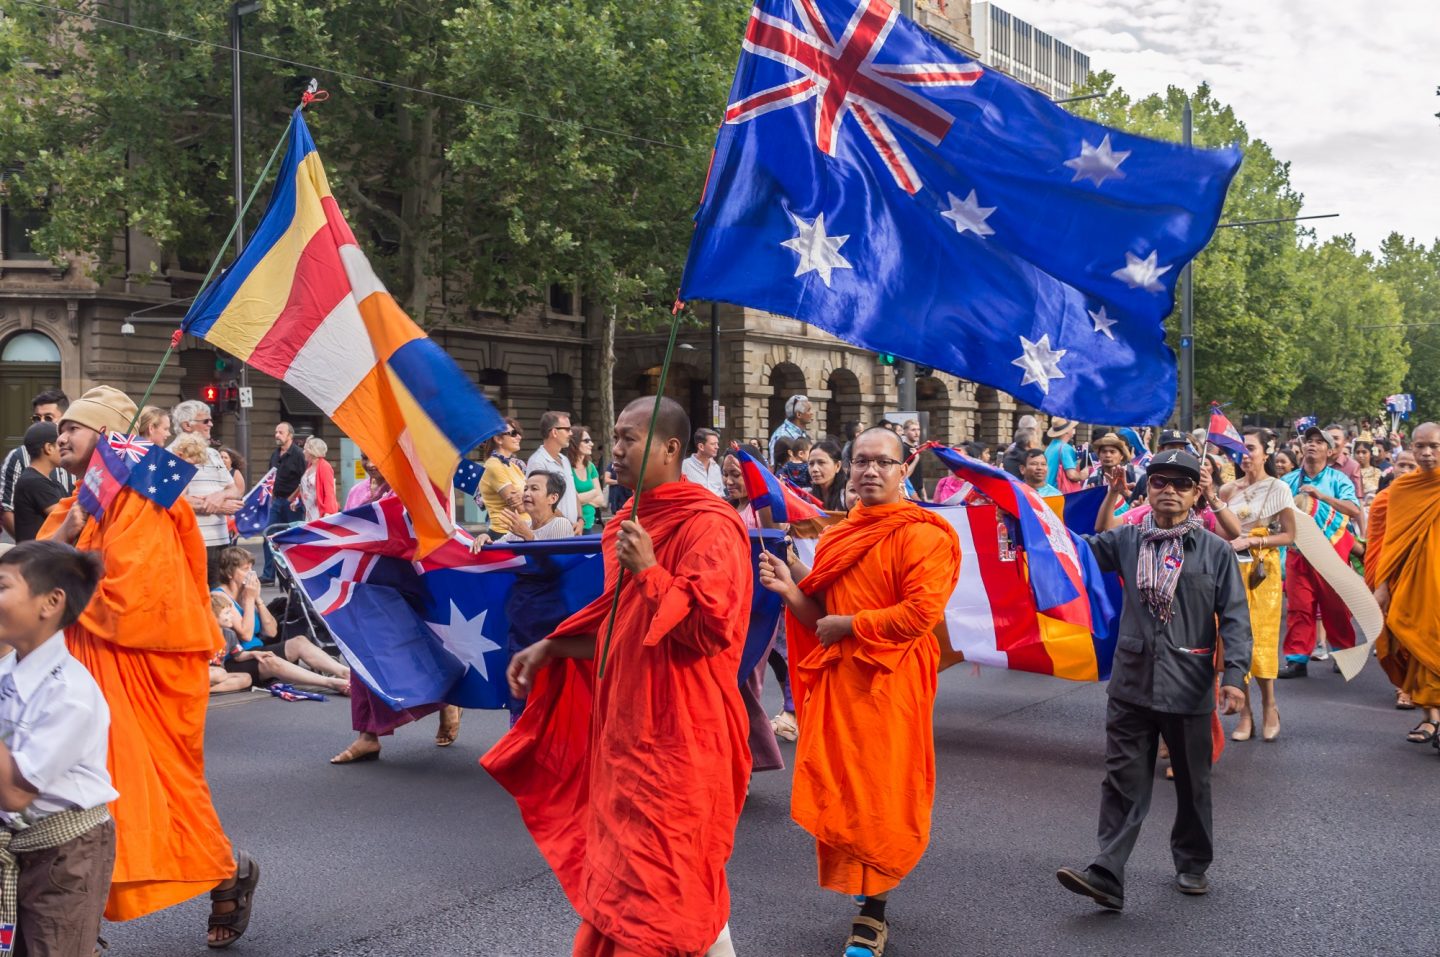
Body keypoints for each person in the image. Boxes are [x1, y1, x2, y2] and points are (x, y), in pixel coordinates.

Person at [484, 396, 753, 957]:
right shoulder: (626, 527)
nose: (617, 450)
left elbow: (709, 629)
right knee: (650, 886)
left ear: (672, 448)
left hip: (682, 735)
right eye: (617, 438)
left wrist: (651, 572)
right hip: (626, 733)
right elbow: (621, 629)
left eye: (632, 438)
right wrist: (552, 646)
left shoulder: (709, 526)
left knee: (663, 887)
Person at [39, 385, 259, 946]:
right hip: (83, 672)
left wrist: (63, 572)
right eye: (60, 428)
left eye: (75, 427)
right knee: (77, 795)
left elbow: (136, 594)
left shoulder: (142, 494)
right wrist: (67, 539)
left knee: (148, 796)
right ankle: (76, 925)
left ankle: (228, 870)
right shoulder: (85, 500)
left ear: (109, 437)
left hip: (140, 671)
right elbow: (40, 561)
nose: (60, 436)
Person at [758, 427, 960, 957]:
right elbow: (820, 616)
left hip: (890, 682)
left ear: (904, 470)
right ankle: (868, 882)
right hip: (841, 681)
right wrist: (788, 585)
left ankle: (875, 912)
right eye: (861, 462)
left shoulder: (926, 535)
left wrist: (849, 625)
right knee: (845, 788)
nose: (870, 471)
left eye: (883, 463)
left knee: (880, 790)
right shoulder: (840, 534)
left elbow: (919, 615)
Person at [1057, 450, 1251, 911]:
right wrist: (1021, 516)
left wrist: (1235, 677)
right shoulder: (1126, 540)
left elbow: (1237, 619)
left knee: (1192, 782)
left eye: (1182, 484)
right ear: (1147, 488)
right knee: (1122, 779)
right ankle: (1107, 870)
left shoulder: (1215, 551)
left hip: (1188, 685)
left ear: (1196, 494)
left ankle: (1192, 862)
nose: (1170, 490)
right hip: (1132, 684)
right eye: (1160, 481)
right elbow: (1075, 549)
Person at [0, 540, 118, 955]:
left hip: (65, 854)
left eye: (2, 586)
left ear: (50, 602)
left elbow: (14, 792)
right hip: (15, 839)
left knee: (53, 947)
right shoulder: (8, 671)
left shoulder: (71, 693)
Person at [470, 472, 576, 722]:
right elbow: (499, 551)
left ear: (552, 497)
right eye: (526, 488)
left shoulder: (560, 525)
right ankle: (518, 738)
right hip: (521, 615)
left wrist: (527, 537)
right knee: (519, 680)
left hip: (549, 616)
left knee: (545, 682)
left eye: (534, 489)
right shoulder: (522, 527)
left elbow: (558, 566)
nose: (526, 493)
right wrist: (486, 540)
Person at [1218, 429, 1296, 742]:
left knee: (1262, 636)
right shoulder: (1226, 490)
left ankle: (1270, 705)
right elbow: (1223, 531)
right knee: (1238, 637)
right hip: (1233, 570)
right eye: (1239, 449)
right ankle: (1245, 712)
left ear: (1266, 452)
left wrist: (1254, 539)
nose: (1245, 455)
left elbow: (1289, 536)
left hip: (1263, 571)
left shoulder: (1278, 488)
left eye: (1250, 448)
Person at [1370, 422, 1440, 746]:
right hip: (1412, 583)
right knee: (1414, 646)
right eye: (1420, 447)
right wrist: (1382, 586)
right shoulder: (1400, 491)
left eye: (1434, 447)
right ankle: (1430, 718)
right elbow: (1391, 543)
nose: (1426, 454)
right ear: (1410, 448)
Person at [1277, 426, 1362, 678]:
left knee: (1335, 608)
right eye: (1309, 441)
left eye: (1319, 442)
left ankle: (1344, 653)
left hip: (1331, 554)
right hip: (1298, 553)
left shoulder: (1338, 480)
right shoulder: (1288, 481)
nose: (1312, 445)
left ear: (1330, 450)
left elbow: (1353, 510)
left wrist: (1321, 496)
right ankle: (1297, 659)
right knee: (1299, 607)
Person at [211, 545, 350, 691]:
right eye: (245, 569)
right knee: (271, 662)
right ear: (229, 573)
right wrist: (249, 601)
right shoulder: (220, 597)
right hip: (235, 659)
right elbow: (245, 634)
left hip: (257, 649)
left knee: (299, 642)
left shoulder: (247, 592)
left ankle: (345, 672)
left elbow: (271, 632)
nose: (251, 573)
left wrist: (258, 600)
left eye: (251, 568)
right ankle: (331, 683)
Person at [170, 400, 243, 587]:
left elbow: (233, 489)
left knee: (219, 599)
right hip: (193, 540)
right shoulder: (171, 455)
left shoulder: (213, 453)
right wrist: (214, 506)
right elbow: (171, 498)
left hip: (221, 539)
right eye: (205, 421)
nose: (211, 424)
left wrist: (219, 497)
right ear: (187, 425)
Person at [0, 389, 71, 540]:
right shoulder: (21, 461)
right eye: (37, 418)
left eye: (48, 418)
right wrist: (28, 548)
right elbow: (6, 509)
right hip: (40, 554)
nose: (42, 423)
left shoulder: (76, 455)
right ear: (48, 448)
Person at [259, 422, 306, 584]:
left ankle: (293, 574)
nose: (277, 435)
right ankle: (268, 575)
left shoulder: (299, 454)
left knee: (291, 538)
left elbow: (304, 480)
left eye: (280, 432)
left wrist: (292, 498)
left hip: (292, 503)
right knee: (268, 535)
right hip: (276, 501)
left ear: (290, 435)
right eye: (276, 432)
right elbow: (270, 477)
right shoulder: (275, 454)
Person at [526, 410, 581, 531]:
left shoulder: (565, 460)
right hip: (552, 531)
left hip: (571, 530)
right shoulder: (537, 462)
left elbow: (573, 491)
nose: (571, 433)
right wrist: (567, 524)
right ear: (554, 432)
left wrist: (580, 519)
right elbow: (540, 500)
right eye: (567, 429)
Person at [11, 422, 65, 543]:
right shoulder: (34, 482)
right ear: (49, 448)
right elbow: (65, 519)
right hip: (36, 559)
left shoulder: (51, 482)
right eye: (61, 444)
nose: (65, 449)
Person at [477, 417, 527, 535]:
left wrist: (524, 497)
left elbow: (531, 502)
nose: (519, 437)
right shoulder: (494, 465)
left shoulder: (513, 465)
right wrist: (531, 498)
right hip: (505, 534)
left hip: (521, 533)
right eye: (513, 434)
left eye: (518, 433)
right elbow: (521, 508)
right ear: (498, 439)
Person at [566, 425, 606, 532]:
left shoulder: (590, 466)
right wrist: (593, 492)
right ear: (575, 443)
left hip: (590, 524)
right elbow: (569, 501)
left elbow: (601, 500)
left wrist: (581, 500)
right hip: (573, 526)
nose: (591, 444)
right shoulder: (566, 467)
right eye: (586, 441)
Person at [295, 437, 338, 522]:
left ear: (312, 451)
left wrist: (328, 513)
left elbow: (329, 492)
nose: (303, 452)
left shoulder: (325, 466)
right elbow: (307, 487)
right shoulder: (310, 466)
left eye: (305, 450)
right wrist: (297, 500)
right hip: (309, 512)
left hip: (319, 513)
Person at [769, 394, 814, 466]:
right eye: (808, 410)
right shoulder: (781, 435)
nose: (812, 413)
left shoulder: (803, 433)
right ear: (799, 414)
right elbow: (775, 464)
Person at [682, 427, 725, 497]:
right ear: (701, 446)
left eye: (717, 444)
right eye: (713, 444)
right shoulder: (684, 466)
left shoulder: (716, 467)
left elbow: (721, 493)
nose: (717, 447)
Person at [808, 439, 849, 511]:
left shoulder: (849, 495)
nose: (814, 469)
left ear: (837, 466)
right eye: (811, 463)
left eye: (821, 462)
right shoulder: (807, 496)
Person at [1045, 418, 1083, 491]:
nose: (1073, 429)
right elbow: (1071, 475)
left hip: (1048, 492)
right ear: (1067, 431)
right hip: (1060, 493)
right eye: (1072, 427)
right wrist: (1082, 476)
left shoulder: (1049, 448)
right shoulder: (1066, 448)